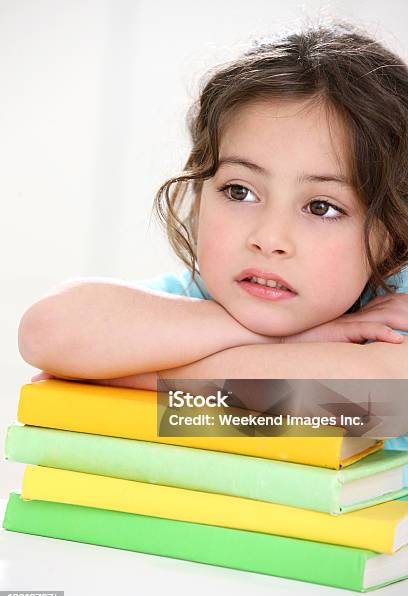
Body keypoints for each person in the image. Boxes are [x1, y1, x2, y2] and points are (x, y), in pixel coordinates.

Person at [20, 21, 408, 443]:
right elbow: (47, 331)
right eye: (239, 191)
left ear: (391, 232)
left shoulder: (391, 319)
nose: (269, 238)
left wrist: (131, 376)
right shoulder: (192, 302)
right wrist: (280, 340)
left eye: (321, 207)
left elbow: (371, 402)